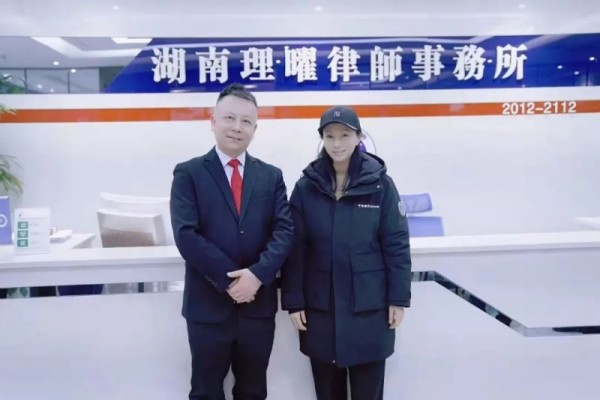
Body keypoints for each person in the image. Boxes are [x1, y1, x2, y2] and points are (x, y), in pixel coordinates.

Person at [170, 83, 294, 400]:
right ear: (213, 121)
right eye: (229, 118)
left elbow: (284, 231)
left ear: (255, 129)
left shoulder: (271, 176)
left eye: (246, 121)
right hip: (208, 307)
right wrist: (231, 281)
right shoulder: (189, 173)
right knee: (206, 392)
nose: (237, 127)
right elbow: (186, 235)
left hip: (257, 306)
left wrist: (256, 276)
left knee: (253, 391)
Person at [281, 105, 412, 400]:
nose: (337, 143)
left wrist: (398, 298)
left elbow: (396, 243)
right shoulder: (306, 187)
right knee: (328, 392)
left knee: (368, 392)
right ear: (322, 139)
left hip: (369, 306)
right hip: (320, 306)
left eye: (344, 135)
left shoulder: (380, 184)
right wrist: (294, 300)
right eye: (329, 136)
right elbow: (295, 248)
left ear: (358, 137)